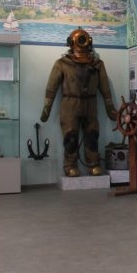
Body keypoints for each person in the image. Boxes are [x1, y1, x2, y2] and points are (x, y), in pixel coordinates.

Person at [40, 28, 117, 177]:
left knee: (92, 135)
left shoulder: (97, 64)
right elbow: (51, 87)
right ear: (71, 43)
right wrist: (46, 108)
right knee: (70, 137)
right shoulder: (62, 64)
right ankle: (70, 165)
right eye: (79, 40)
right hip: (70, 104)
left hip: (90, 104)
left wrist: (110, 108)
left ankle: (93, 164)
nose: (82, 44)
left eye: (84, 40)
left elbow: (105, 88)